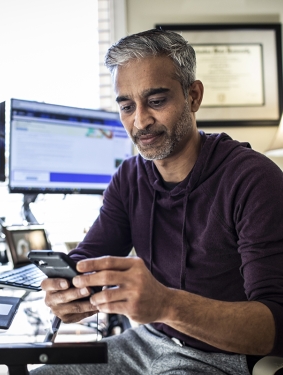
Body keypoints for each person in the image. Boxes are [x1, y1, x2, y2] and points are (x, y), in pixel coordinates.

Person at [31, 28, 283, 374]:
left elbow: (276, 325)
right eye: (126, 106)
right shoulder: (130, 177)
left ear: (193, 96)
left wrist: (166, 304)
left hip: (223, 356)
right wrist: (67, 290)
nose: (140, 121)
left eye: (157, 100)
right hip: (147, 340)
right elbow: (88, 259)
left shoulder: (253, 180)